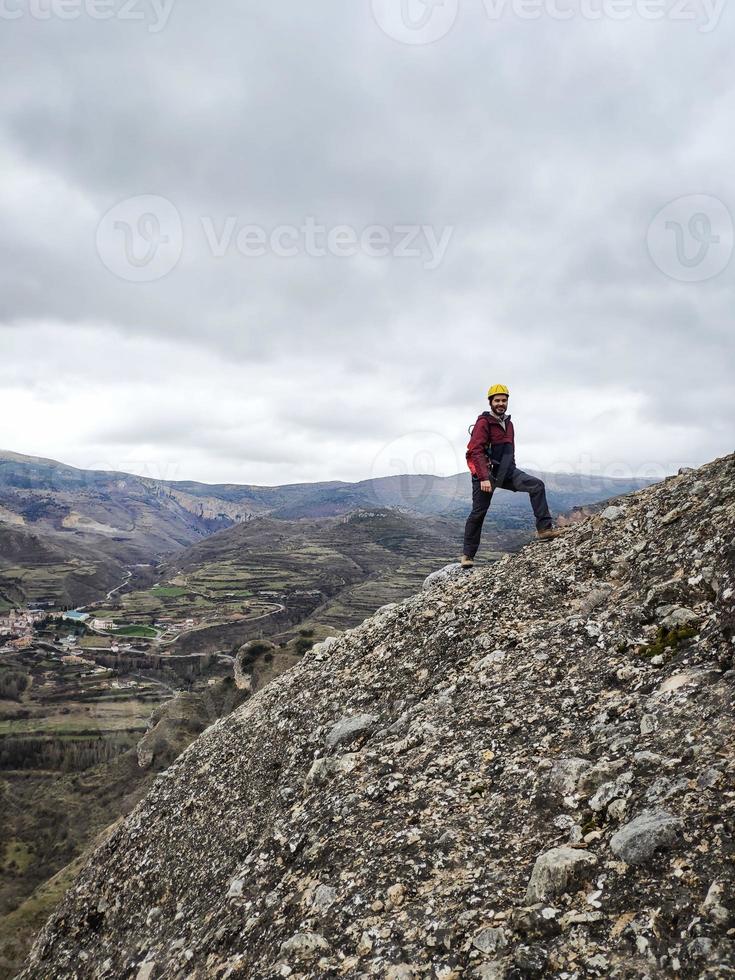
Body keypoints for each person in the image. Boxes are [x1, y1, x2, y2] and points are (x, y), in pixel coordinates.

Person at [460, 384, 563, 567]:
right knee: (478, 513)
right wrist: (483, 477)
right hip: (486, 475)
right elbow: (476, 451)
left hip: (507, 472)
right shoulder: (484, 423)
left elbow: (509, 451)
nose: (501, 403)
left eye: (504, 400)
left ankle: (544, 530)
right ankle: (467, 556)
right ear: (490, 402)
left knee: (536, 485)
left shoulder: (509, 423)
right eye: (497, 400)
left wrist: (513, 470)